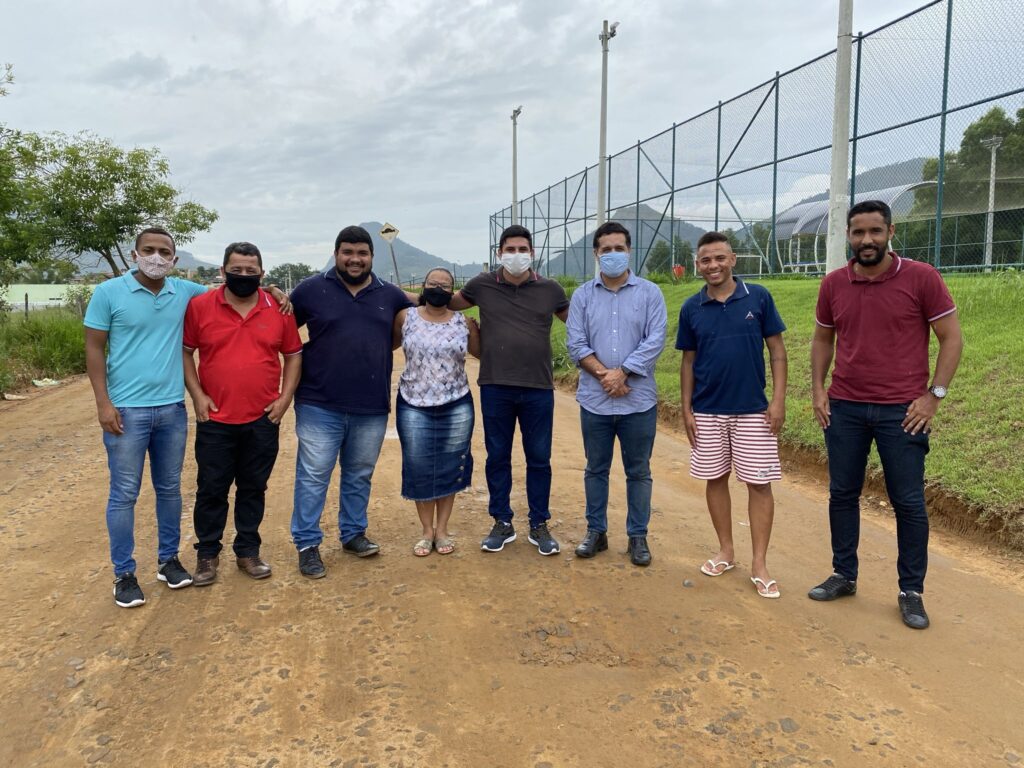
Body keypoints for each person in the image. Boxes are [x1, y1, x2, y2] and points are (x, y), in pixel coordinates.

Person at [809, 200, 962, 629]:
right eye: (858, 232)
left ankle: (911, 591)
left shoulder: (921, 278)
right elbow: (822, 339)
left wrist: (934, 396)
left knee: (908, 502)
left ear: (890, 232)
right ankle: (844, 574)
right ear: (848, 235)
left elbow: (951, 338)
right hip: (845, 407)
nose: (867, 240)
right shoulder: (834, 284)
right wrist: (819, 390)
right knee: (842, 494)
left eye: (875, 231)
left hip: (903, 412)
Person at [288, 225, 414, 578]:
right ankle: (307, 544)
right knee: (314, 475)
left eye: (362, 253)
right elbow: (283, 330)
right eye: (348, 252)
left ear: (372, 256)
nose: (355, 259)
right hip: (318, 401)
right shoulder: (310, 289)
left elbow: (405, 327)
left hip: (370, 404)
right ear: (336, 254)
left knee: (359, 473)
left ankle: (353, 533)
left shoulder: (390, 294)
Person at [182, 242, 303, 586]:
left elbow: (294, 355)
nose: (244, 276)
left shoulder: (278, 308)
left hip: (262, 418)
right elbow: (186, 352)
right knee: (211, 489)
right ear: (223, 271)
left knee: (253, 488)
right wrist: (198, 395)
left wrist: (284, 399)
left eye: (251, 271)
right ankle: (207, 555)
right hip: (215, 419)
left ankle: (248, 551)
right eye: (236, 270)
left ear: (262, 273)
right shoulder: (200, 306)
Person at [676, 231, 788, 599]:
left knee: (759, 484)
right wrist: (687, 408)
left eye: (720, 258)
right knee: (715, 478)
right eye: (706, 260)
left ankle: (760, 563)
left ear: (733, 259)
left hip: (754, 411)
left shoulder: (758, 297)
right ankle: (726, 551)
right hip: (707, 411)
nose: (713, 265)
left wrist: (778, 401)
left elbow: (777, 351)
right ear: (697, 265)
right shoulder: (692, 308)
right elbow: (688, 361)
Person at [449, 225, 570, 555]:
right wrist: (397, 296)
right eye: (510, 250)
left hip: (538, 388)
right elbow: (445, 302)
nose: (517, 255)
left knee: (539, 458)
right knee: (498, 456)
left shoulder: (550, 289)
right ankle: (502, 521)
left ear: (532, 253)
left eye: (522, 249)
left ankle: (539, 524)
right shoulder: (482, 285)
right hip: (495, 386)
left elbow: (579, 321)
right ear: (499, 253)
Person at [566, 222, 667, 566]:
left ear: (629, 251)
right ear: (596, 253)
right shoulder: (582, 296)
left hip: (638, 401)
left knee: (638, 471)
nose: (612, 254)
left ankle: (638, 536)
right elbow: (576, 343)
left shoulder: (650, 293)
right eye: (606, 249)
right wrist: (606, 375)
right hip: (594, 402)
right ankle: (596, 532)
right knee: (596, 468)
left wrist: (622, 372)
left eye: (619, 248)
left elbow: (655, 340)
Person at [392, 268, 481, 556]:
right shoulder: (405, 317)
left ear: (453, 291)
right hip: (413, 402)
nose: (438, 289)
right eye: (433, 284)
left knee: (450, 465)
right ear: (423, 285)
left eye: (445, 286)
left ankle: (442, 530)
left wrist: (483, 327)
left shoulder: (463, 322)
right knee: (418, 466)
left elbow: (481, 353)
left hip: (456, 403)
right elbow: (387, 344)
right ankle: (426, 531)